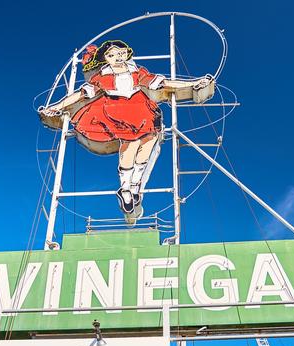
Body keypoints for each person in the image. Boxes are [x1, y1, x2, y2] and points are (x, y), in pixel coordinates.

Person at [40, 40, 212, 221]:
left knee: (148, 145)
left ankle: (135, 185)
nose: (117, 57)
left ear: (127, 54)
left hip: (143, 110)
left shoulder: (138, 72)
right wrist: (58, 105)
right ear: (105, 58)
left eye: (120, 53)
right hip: (118, 113)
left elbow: (164, 84)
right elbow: (81, 94)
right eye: (111, 55)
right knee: (129, 146)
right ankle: (126, 189)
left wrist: (193, 83)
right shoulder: (102, 76)